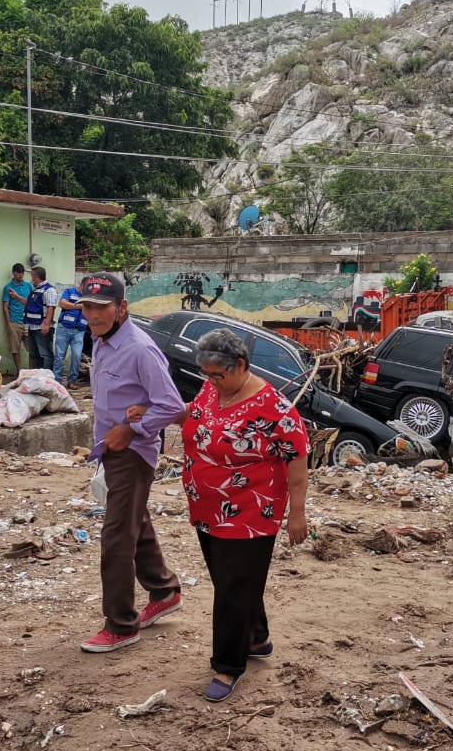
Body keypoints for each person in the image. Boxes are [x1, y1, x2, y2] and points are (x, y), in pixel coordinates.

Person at [129, 329, 309, 701]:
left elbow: (298, 458)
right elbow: (194, 416)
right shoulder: (212, 389)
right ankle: (256, 638)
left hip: (251, 511)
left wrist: (298, 514)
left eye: (218, 375)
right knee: (233, 580)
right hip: (208, 507)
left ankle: (227, 668)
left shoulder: (274, 408)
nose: (211, 382)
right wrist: (155, 412)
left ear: (240, 366)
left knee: (232, 588)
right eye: (207, 375)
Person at [77, 272, 183, 652]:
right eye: (87, 306)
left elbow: (173, 405)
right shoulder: (102, 339)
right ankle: (165, 590)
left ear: (122, 307)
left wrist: (131, 429)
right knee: (135, 521)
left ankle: (122, 625)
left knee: (116, 537)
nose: (93, 314)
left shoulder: (139, 348)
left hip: (133, 453)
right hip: (111, 449)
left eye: (101, 307)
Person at [53, 280, 87, 389]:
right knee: (59, 356)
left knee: (77, 356)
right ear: (81, 285)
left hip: (79, 330)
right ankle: (57, 380)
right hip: (64, 328)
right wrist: (79, 306)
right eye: (85, 288)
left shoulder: (89, 297)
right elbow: (62, 303)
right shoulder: (69, 291)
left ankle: (72, 381)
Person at [24, 266, 57, 371]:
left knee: (45, 354)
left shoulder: (49, 290)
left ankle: (48, 379)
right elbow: (30, 305)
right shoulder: (36, 290)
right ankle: (37, 379)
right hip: (33, 327)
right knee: (34, 355)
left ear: (36, 276)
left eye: (32, 276)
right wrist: (16, 297)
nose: (31, 278)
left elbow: (51, 307)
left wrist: (46, 325)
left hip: (42, 327)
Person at [1, 263, 31, 373]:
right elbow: (5, 307)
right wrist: (8, 323)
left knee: (32, 348)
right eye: (18, 272)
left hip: (28, 322)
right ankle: (20, 372)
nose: (20, 274)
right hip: (14, 321)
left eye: (22, 272)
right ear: (13, 273)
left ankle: (31, 371)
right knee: (15, 349)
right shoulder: (8, 288)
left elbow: (31, 303)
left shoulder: (28, 286)